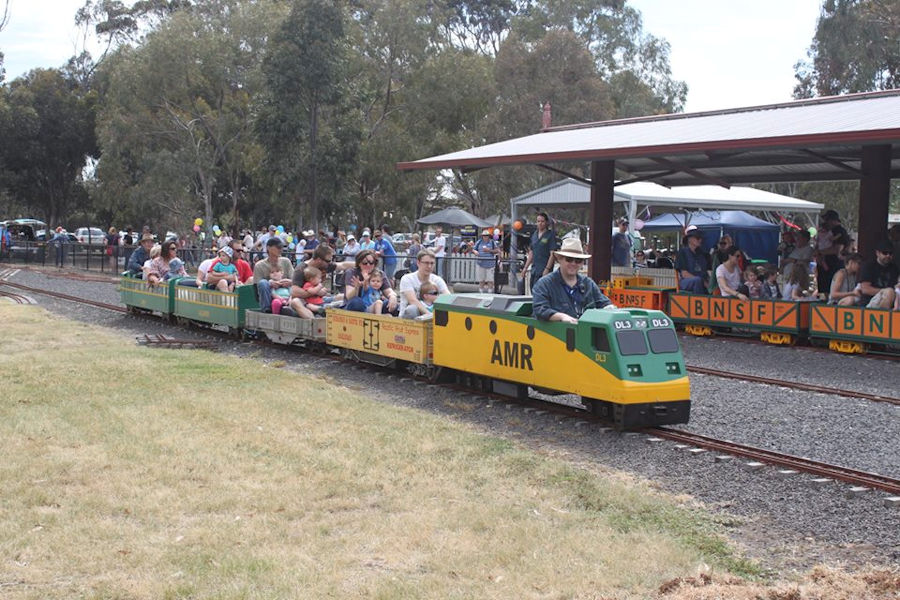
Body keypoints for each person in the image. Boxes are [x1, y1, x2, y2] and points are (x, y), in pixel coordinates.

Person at [532, 237, 611, 323]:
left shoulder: (589, 284)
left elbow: (604, 304)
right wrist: (561, 316)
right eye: (569, 259)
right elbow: (540, 310)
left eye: (578, 260)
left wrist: (610, 308)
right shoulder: (544, 284)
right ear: (560, 259)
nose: (573, 263)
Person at [290, 244, 352, 318]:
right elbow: (294, 291)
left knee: (343, 296)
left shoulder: (324, 265)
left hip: (319, 299)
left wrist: (360, 264)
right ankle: (315, 322)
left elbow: (342, 265)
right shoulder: (301, 269)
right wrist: (315, 291)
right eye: (328, 261)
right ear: (319, 260)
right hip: (305, 301)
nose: (330, 263)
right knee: (295, 302)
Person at [398, 250, 450, 319]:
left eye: (432, 263)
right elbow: (412, 300)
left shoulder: (437, 280)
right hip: (410, 318)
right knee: (412, 309)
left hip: (432, 316)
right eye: (426, 263)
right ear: (418, 263)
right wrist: (429, 315)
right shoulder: (407, 279)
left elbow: (448, 297)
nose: (429, 266)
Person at [344, 249, 399, 314]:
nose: (368, 265)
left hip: (375, 306)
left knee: (393, 305)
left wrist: (392, 296)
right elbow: (349, 296)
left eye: (371, 263)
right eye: (365, 263)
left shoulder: (379, 274)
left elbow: (389, 291)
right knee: (356, 302)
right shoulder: (352, 273)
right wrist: (357, 287)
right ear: (359, 263)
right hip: (357, 305)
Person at [253, 237, 294, 312]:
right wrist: (270, 284)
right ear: (268, 248)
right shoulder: (259, 265)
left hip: (286, 294)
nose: (280, 249)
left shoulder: (286, 261)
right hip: (270, 295)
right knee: (263, 283)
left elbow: (295, 280)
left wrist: (289, 282)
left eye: (281, 247)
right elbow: (256, 288)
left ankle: (288, 306)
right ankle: (267, 309)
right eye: (278, 247)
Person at [815, 210, 850, 294]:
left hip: (833, 264)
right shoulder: (826, 231)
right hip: (824, 264)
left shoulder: (839, 231)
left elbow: (837, 249)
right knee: (823, 287)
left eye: (827, 220)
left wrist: (820, 252)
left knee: (831, 287)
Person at [522, 212, 558, 294]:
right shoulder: (534, 235)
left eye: (542, 221)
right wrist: (525, 268)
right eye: (538, 221)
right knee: (533, 290)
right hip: (535, 269)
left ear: (546, 222)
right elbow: (531, 252)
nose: (540, 223)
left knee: (542, 292)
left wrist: (547, 269)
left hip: (544, 269)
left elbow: (552, 254)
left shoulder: (550, 235)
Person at [858, 240, 898, 309]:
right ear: (877, 253)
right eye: (885, 253)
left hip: (891, 302)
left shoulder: (894, 268)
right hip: (870, 303)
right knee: (889, 292)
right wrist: (886, 292)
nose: (888, 255)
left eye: (890, 253)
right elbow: (865, 289)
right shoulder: (868, 266)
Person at [675, 226, 709, 294]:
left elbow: (706, 272)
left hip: (702, 280)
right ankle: (700, 300)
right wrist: (703, 281)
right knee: (697, 280)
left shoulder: (701, 254)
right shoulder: (683, 252)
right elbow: (684, 274)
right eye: (698, 238)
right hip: (686, 282)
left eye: (701, 238)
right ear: (689, 239)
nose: (700, 240)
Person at [472, 229, 500, 293]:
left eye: (486, 236)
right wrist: (475, 252)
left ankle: (490, 292)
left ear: (488, 236)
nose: (485, 237)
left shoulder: (492, 242)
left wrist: (489, 250)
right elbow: (473, 249)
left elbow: (497, 250)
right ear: (482, 236)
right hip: (481, 263)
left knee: (490, 280)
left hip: (490, 264)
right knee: (481, 279)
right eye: (484, 236)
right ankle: (481, 292)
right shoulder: (479, 242)